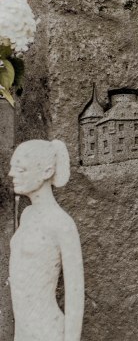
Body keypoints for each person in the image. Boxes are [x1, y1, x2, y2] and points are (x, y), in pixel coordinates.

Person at [9, 139, 84, 341]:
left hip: (47, 332)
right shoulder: (27, 215)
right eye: (12, 168)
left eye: (21, 169)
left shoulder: (62, 225)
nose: (11, 174)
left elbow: (75, 295)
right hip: (23, 333)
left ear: (47, 171)